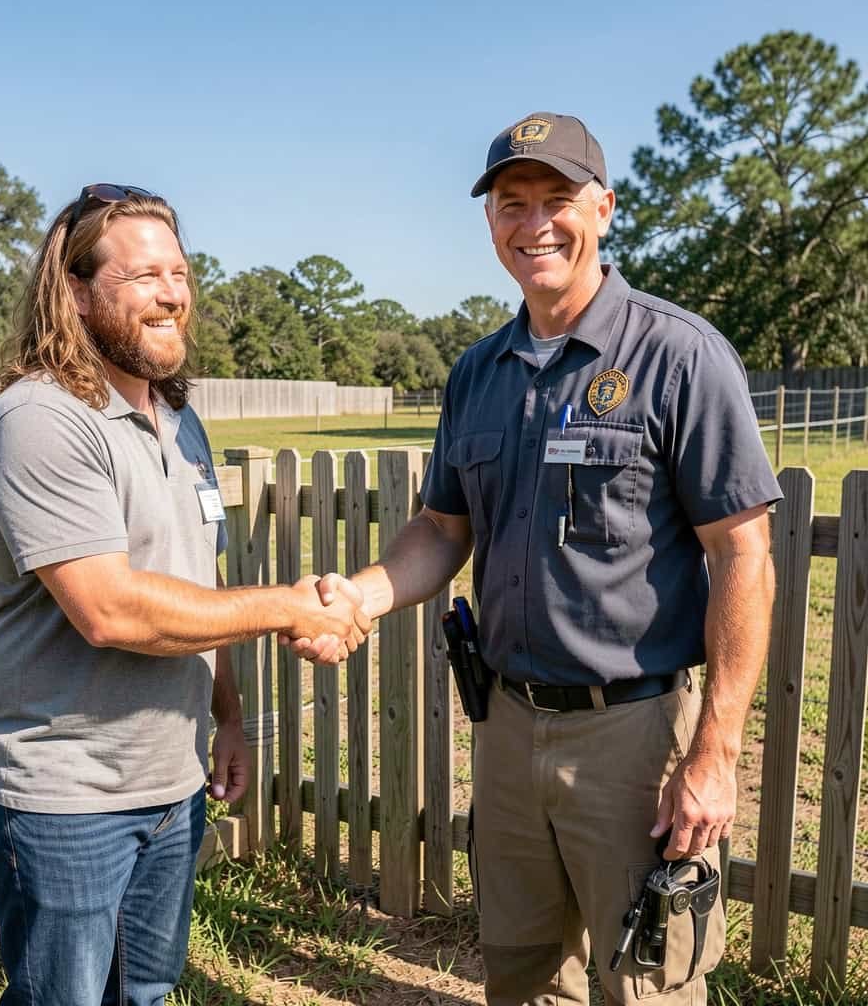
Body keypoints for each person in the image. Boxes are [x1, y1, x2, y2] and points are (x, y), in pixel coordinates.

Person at [291, 113, 782, 1005]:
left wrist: (714, 746)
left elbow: (743, 552)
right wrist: (359, 596)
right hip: (508, 727)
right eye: (512, 204)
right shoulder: (480, 372)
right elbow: (441, 530)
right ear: (490, 224)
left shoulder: (678, 355)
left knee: (646, 984)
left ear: (604, 208)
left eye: (558, 199)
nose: (535, 223)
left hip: (631, 736)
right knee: (520, 972)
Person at [0, 184, 368, 1006]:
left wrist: (226, 718)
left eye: (179, 273)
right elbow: (111, 609)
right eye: (143, 275)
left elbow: (195, 581)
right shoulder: (42, 419)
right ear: (74, 290)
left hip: (170, 780)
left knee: (145, 991)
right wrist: (291, 605)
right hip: (64, 794)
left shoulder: (180, 417)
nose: (172, 294)